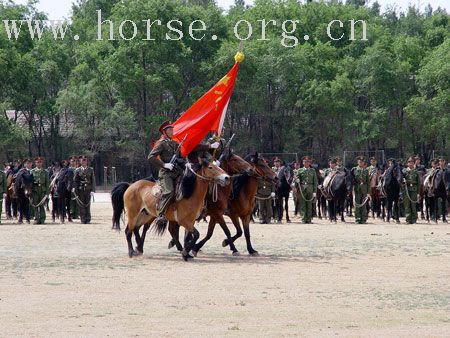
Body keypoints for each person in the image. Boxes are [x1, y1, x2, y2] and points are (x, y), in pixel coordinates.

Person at [295, 156, 318, 224]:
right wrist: (297, 180)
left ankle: (309, 219)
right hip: (302, 188)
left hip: (310, 188)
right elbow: (296, 178)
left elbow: (315, 181)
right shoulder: (300, 170)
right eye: (305, 162)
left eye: (307, 162)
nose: (306, 163)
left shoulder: (312, 170)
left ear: (309, 163)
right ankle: (303, 218)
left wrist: (315, 191)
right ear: (303, 163)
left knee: (309, 204)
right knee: (303, 204)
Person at [74, 156, 95, 224]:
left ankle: (88, 218)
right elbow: (75, 181)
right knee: (81, 204)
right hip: (81, 189)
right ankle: (83, 219)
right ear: (80, 162)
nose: (84, 162)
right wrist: (75, 189)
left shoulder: (90, 170)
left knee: (87, 205)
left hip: (88, 189)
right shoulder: (78, 170)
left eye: (85, 161)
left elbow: (93, 180)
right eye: (82, 161)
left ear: (87, 162)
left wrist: (93, 190)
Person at [30, 157, 50, 224]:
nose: (39, 163)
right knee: (35, 205)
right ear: (35, 163)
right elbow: (30, 182)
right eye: (37, 162)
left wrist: (47, 193)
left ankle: (42, 219)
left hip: (42, 190)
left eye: (40, 162)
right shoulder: (32, 171)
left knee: (41, 205)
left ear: (42, 163)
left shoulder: (45, 172)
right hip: (35, 190)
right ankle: (36, 218)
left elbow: (47, 183)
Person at [352, 156, 370, 224]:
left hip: (364, 189)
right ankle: (357, 218)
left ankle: (363, 219)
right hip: (357, 189)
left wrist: (368, 192)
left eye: (362, 162)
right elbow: (352, 180)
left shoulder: (366, 170)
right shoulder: (354, 170)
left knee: (364, 205)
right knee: (357, 204)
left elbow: (368, 182)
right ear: (357, 162)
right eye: (359, 162)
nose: (361, 163)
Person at [402, 157, 420, 224]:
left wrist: (418, 193)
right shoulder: (404, 171)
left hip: (414, 190)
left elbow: (418, 183)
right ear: (407, 163)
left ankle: (414, 219)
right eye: (409, 162)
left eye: (412, 162)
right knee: (407, 205)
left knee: (413, 204)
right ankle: (408, 219)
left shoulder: (416, 172)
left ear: (414, 163)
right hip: (406, 189)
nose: (410, 164)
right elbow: (401, 180)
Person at [16, 159, 33, 224]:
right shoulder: (21, 171)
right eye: (27, 163)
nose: (28, 164)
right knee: (20, 204)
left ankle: (27, 218)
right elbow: (17, 179)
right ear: (25, 164)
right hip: (20, 190)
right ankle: (20, 218)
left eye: (29, 163)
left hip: (29, 189)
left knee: (27, 204)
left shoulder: (32, 171)